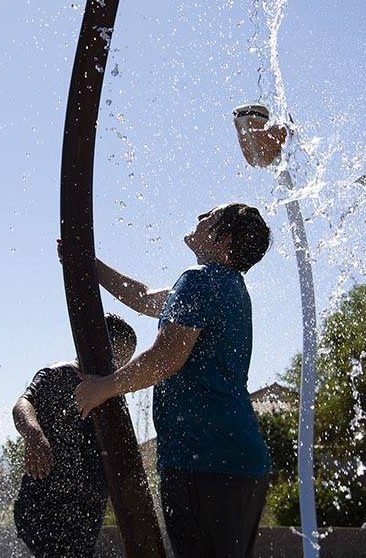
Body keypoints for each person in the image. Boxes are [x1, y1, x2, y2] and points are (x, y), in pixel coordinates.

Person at [73, 203, 273, 558]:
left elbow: (166, 358)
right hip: (238, 462)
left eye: (209, 216)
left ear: (222, 240)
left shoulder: (199, 280)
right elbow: (145, 299)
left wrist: (103, 389)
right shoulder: (229, 287)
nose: (199, 217)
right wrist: (89, 265)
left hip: (204, 459)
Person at [12, 313, 138, 558]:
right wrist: (34, 435)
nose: (120, 368)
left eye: (125, 362)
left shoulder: (111, 395)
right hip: (44, 504)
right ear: (94, 346)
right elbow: (23, 405)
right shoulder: (58, 374)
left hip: (86, 511)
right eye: (118, 359)